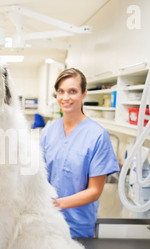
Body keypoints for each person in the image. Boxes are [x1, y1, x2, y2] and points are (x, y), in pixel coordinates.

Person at [40, 68, 119, 238]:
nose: (65, 97)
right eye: (61, 91)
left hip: (78, 227)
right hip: (46, 222)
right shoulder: (48, 132)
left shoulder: (97, 135)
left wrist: (56, 203)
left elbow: (94, 191)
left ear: (84, 94)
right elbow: (40, 176)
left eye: (72, 91)